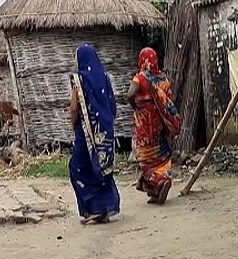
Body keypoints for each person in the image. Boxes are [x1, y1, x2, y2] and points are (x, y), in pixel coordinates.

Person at [69, 44, 121, 225]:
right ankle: (103, 209)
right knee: (101, 168)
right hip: (105, 131)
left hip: (86, 133)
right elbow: (112, 106)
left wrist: (74, 124)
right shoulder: (104, 78)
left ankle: (95, 209)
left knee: (78, 167)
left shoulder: (79, 80)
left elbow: (75, 108)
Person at [127, 47, 180, 205]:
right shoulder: (163, 79)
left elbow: (130, 94)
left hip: (145, 125)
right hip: (160, 125)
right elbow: (167, 99)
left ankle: (160, 182)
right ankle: (156, 192)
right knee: (161, 156)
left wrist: (136, 106)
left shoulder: (140, 78)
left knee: (145, 158)